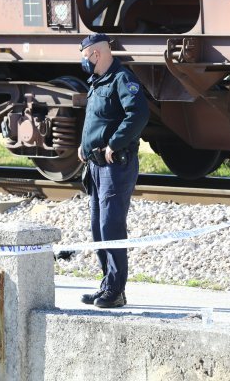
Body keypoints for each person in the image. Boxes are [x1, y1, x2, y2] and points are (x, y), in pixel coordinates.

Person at [77, 33, 149, 308]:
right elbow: (96, 119)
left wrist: (115, 143)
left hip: (114, 165)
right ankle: (108, 284)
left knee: (111, 226)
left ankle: (116, 290)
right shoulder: (98, 81)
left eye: (84, 57)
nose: (83, 62)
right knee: (98, 227)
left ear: (96, 54)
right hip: (95, 165)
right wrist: (84, 146)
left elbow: (138, 114)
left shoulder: (122, 79)